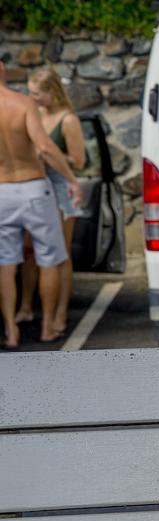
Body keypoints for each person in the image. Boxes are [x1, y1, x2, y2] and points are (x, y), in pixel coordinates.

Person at [0, 60, 78, 348]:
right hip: (33, 187)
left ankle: (10, 329)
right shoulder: (22, 104)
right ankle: (47, 327)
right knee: (50, 259)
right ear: (3, 70)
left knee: (6, 263)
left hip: (2, 190)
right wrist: (71, 179)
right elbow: (45, 147)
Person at [17, 67, 87, 338]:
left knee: (61, 254)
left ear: (52, 92)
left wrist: (50, 156)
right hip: (35, 187)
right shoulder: (36, 114)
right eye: (29, 93)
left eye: (36, 94)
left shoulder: (68, 120)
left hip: (60, 190)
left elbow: (78, 161)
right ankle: (25, 307)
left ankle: (60, 314)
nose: (31, 98)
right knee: (31, 251)